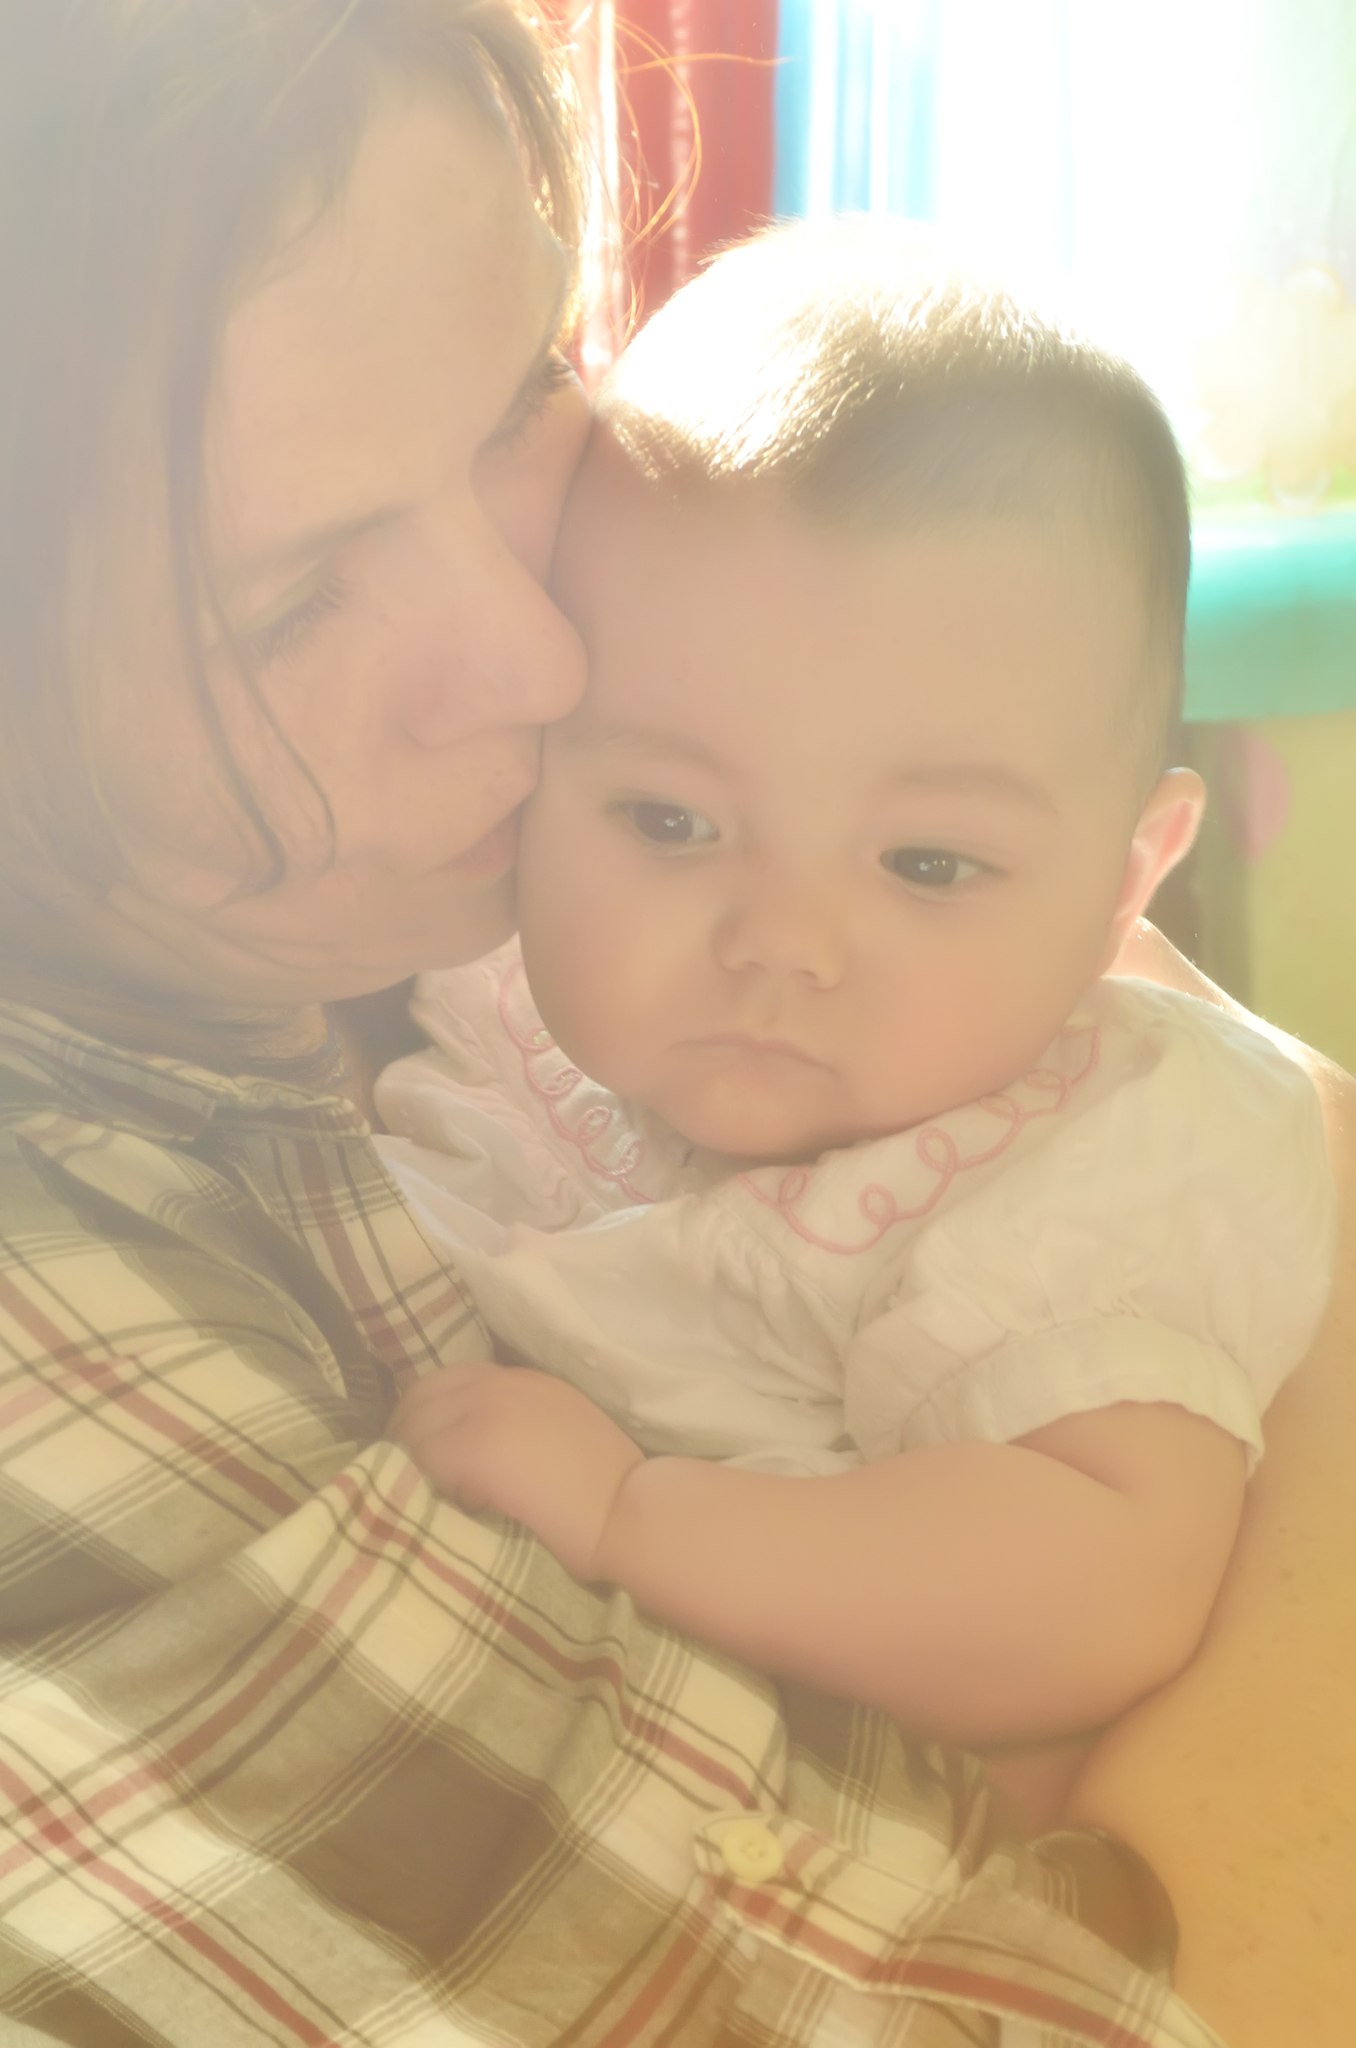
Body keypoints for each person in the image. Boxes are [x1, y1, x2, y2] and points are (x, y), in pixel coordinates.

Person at [0, 6, 1349, 2045]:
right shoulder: (78, 1353)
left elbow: (1109, 1540)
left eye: (521, 394)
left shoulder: (1059, 1136)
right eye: (287, 603)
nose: (544, 664)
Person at [376, 224, 1332, 1795]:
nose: (784, 943)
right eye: (672, 820)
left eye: (929, 863)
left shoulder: (1101, 1162)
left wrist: (633, 1515)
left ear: (1128, 879)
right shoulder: (494, 991)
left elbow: (1105, 1580)